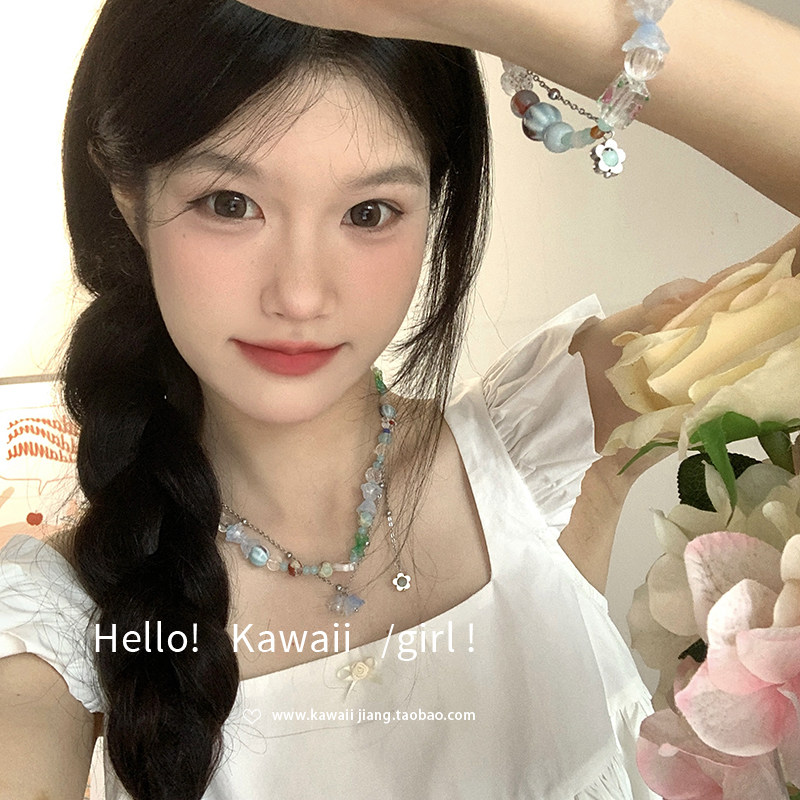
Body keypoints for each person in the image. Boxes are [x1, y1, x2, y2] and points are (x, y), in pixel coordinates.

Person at [0, 0, 798, 798]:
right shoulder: (57, 629)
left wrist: (521, 13)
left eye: (369, 212)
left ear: (434, 204)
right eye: (230, 203)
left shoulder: (552, 443)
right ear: (129, 197)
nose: (301, 294)